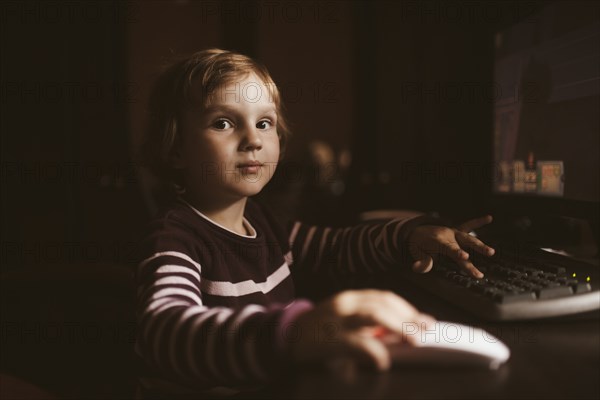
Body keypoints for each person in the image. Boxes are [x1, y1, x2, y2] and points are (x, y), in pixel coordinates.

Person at [135, 48, 495, 398]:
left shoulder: (264, 222)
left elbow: (336, 248)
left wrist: (409, 236)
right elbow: (165, 329)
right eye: (223, 123)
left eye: (264, 123)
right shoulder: (174, 237)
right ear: (175, 148)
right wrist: (294, 333)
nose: (253, 140)